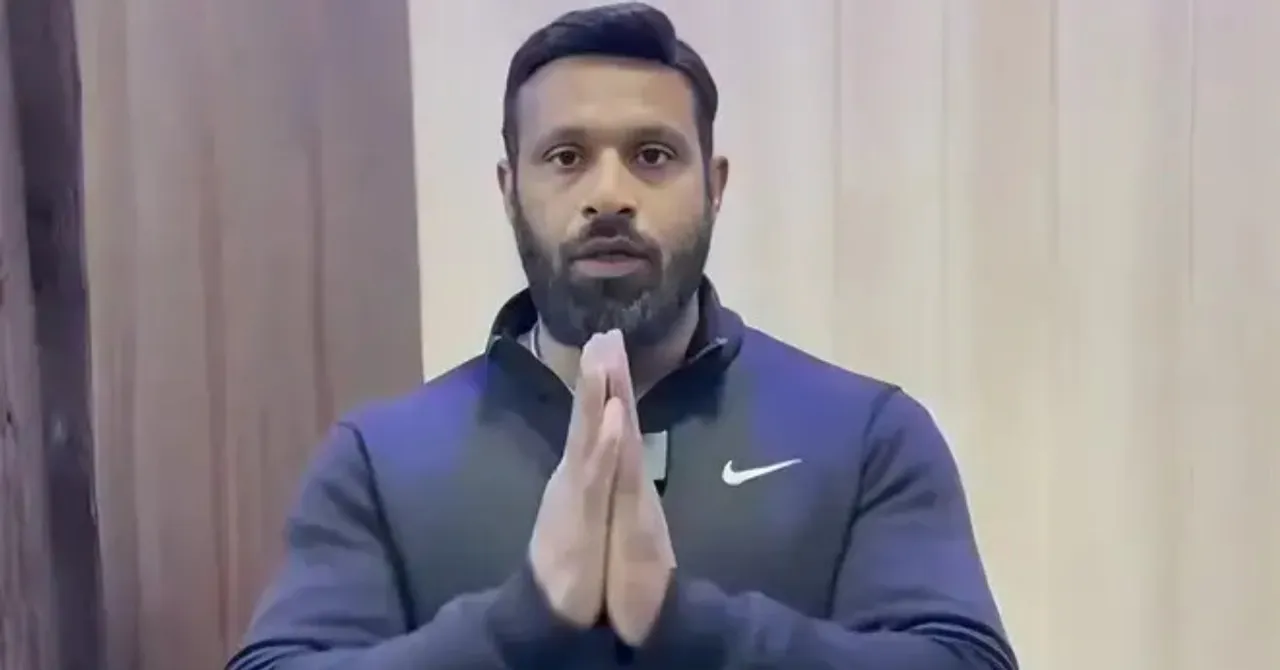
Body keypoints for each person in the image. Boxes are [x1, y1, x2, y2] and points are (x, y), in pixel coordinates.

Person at [227, 3, 1018, 669]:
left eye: (653, 155)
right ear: (510, 189)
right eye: (566, 156)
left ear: (714, 185)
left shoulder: (868, 436)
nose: (610, 194)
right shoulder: (379, 460)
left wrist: (685, 622)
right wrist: (521, 620)